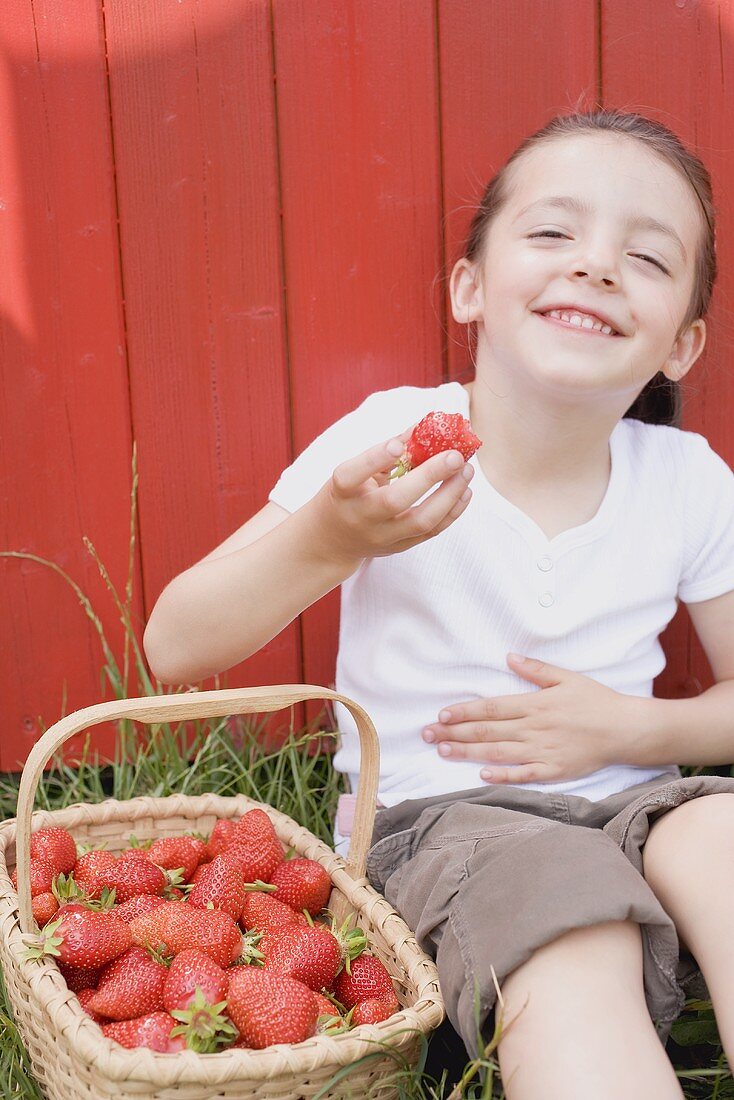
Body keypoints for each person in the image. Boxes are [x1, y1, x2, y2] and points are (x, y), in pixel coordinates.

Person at [143, 108, 734, 1099]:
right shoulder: (389, 443)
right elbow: (174, 642)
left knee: (721, 837)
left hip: (636, 798)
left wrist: (635, 724)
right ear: (468, 288)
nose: (591, 265)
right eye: (552, 233)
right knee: (569, 919)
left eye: (642, 255)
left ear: (680, 342)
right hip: (438, 821)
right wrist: (328, 540)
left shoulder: (682, 477)